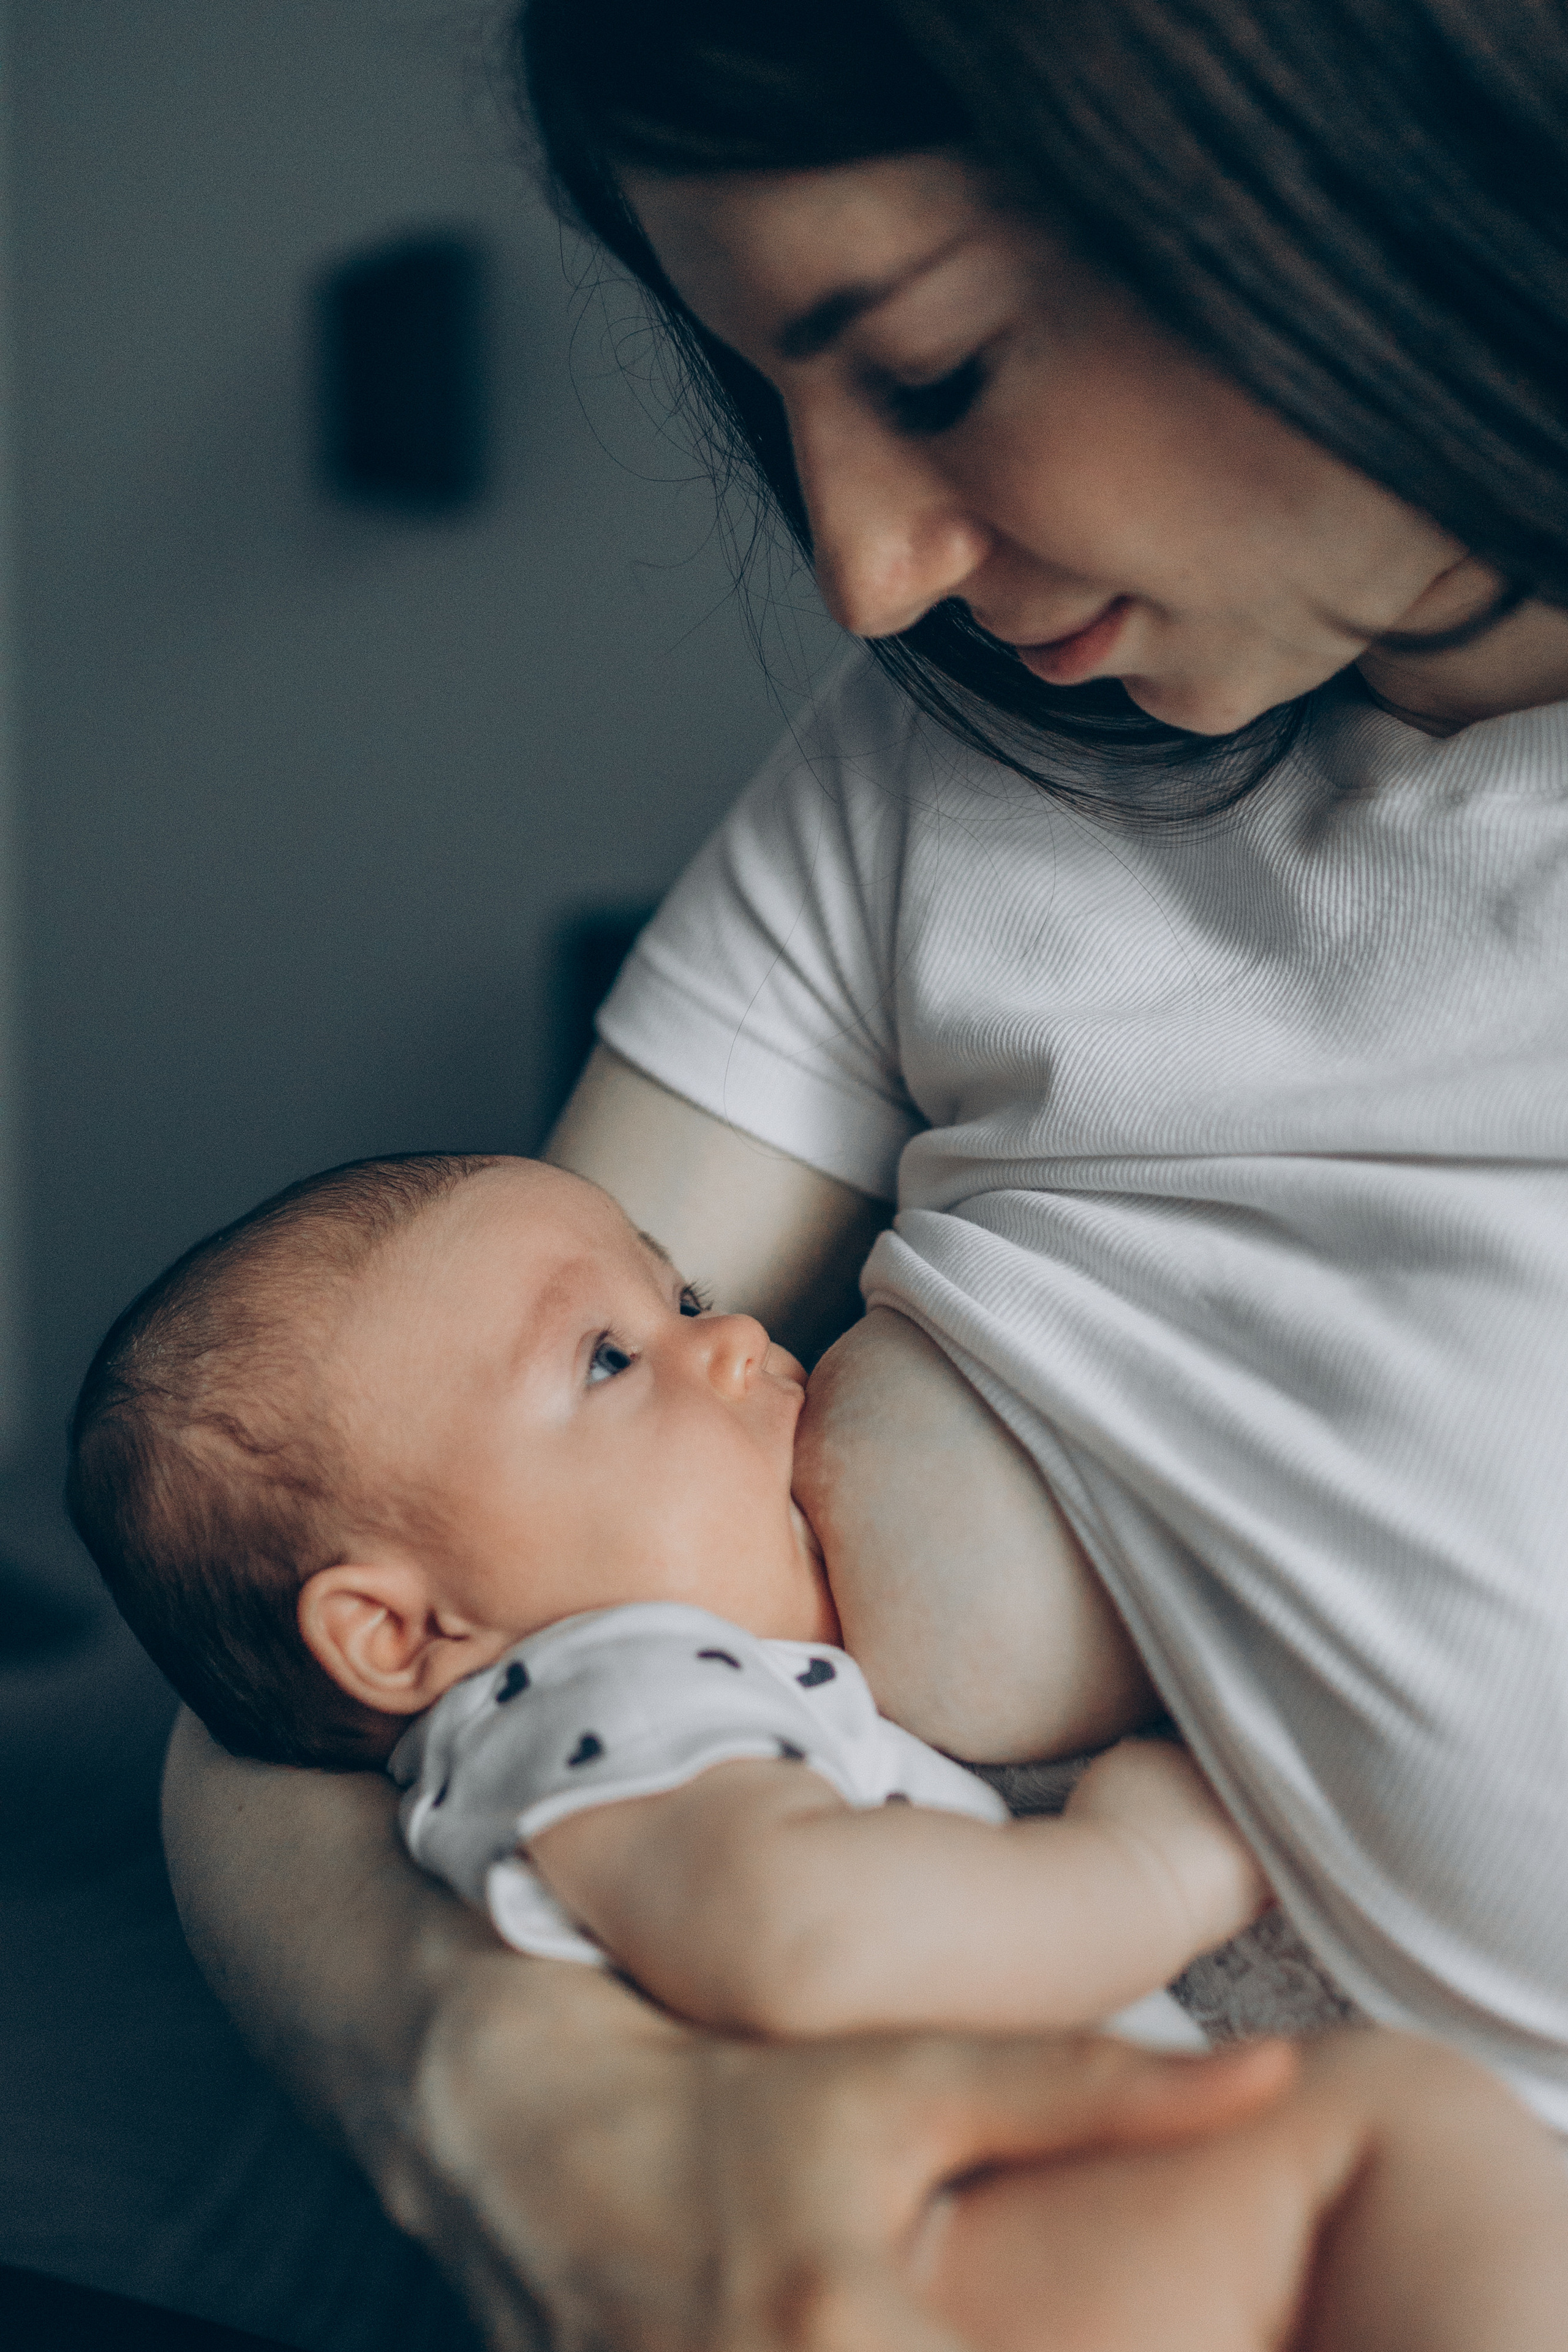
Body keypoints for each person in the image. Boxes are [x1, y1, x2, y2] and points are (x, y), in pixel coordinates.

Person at [159, 2, 1568, 2346]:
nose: (867, 572)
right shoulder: (941, 772)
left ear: (1333, 159)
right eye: (770, 397)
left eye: (931, 368)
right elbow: (342, 1583)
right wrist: (552, 2126)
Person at [70, 1152, 1268, 2034]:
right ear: (397, 1630)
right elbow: (804, 1939)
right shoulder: (604, 1697)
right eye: (608, 1359)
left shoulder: (623, 1722)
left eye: (683, 1298)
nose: (734, 1335)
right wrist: (1151, 1870)